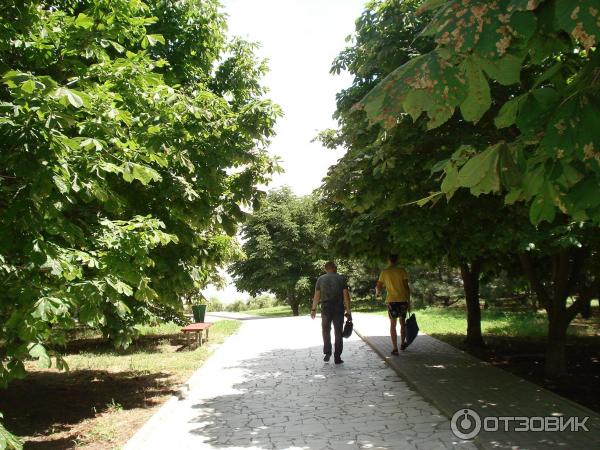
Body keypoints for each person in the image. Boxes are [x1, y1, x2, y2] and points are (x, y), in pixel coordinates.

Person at [311, 261, 352, 364]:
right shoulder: (341, 278)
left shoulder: (320, 279)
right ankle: (337, 357)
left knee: (325, 330)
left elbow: (317, 295)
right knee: (338, 332)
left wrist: (313, 309)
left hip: (325, 307)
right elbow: (346, 296)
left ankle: (327, 352)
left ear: (326, 269)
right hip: (338, 307)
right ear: (334, 268)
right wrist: (348, 311)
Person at [376, 254, 411, 355]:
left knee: (392, 324)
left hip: (391, 301)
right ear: (397, 260)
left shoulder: (385, 272)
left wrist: (377, 294)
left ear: (388, 260)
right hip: (403, 300)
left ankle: (395, 348)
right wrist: (408, 300)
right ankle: (403, 343)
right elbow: (406, 286)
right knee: (402, 322)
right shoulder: (402, 271)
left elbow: (378, 285)